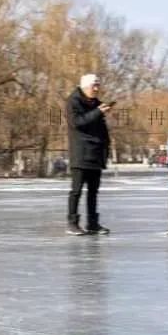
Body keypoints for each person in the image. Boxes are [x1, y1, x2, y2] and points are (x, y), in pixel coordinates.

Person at [66, 73, 112, 235]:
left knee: (93, 192)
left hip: (95, 154)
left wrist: (106, 148)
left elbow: (101, 130)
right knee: (76, 190)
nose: (97, 89)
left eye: (98, 86)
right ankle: (72, 223)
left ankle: (93, 223)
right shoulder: (73, 102)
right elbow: (77, 123)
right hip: (80, 154)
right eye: (94, 86)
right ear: (85, 87)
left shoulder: (97, 104)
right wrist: (98, 112)